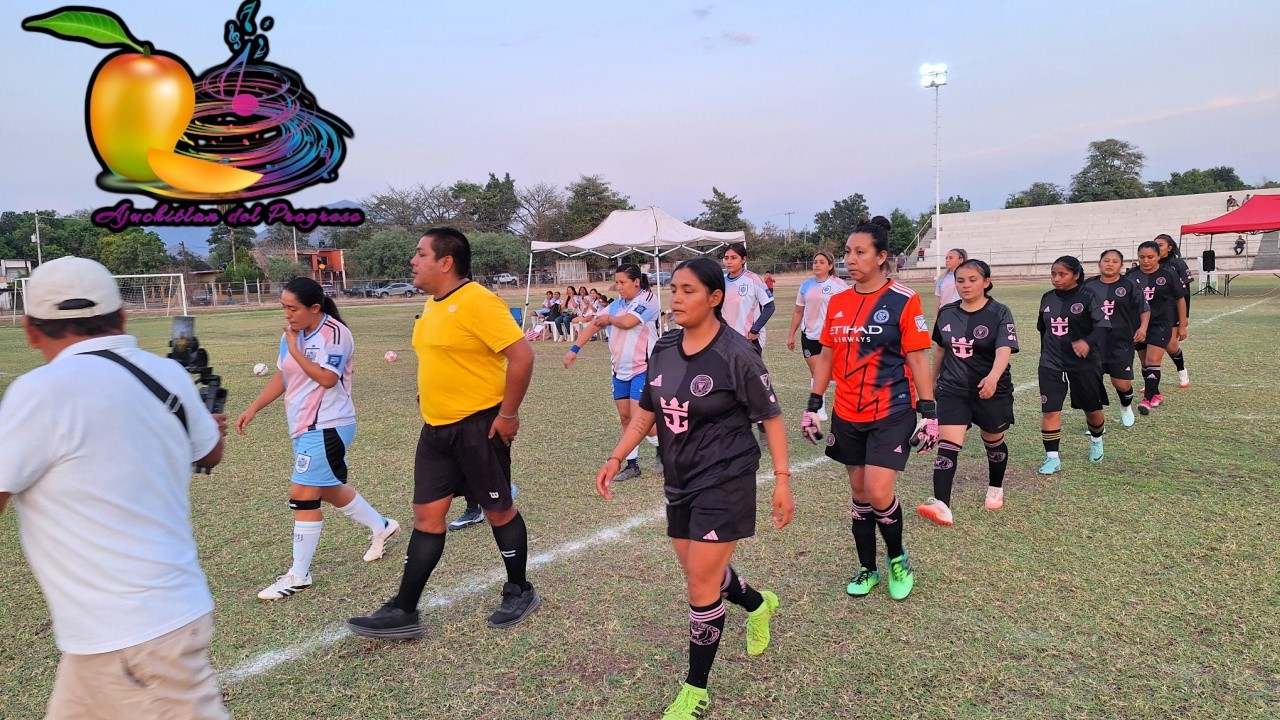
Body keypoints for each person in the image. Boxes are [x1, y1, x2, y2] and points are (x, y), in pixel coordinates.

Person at [0, 257, 230, 719]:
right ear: (123, 316)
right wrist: (205, 423)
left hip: (134, 641)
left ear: (29, 329)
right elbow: (209, 454)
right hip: (123, 636)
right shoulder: (164, 375)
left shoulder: (40, 391)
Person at [595, 257, 793, 720]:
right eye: (673, 289)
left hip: (726, 478)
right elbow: (647, 414)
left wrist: (782, 482)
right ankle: (758, 602)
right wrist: (615, 456)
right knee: (698, 571)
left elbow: (772, 417)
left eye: (687, 290)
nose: (676, 298)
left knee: (701, 584)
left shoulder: (736, 354)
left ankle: (695, 689)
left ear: (714, 298)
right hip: (679, 477)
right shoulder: (663, 347)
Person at [346, 227, 538, 638]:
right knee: (426, 516)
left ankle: (520, 589)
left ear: (445, 261)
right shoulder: (433, 307)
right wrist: (426, 389)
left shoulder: (478, 302)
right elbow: (441, 356)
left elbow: (522, 355)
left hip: (478, 428)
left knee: (498, 510)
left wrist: (508, 415)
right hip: (436, 431)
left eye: (420, 254)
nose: (412, 261)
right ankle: (404, 610)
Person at [236, 278, 401, 600]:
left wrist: (296, 350)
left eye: (292, 308)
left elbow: (327, 378)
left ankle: (299, 575)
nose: (287, 315)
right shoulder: (292, 335)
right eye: (283, 307)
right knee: (326, 489)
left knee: (302, 493)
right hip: (301, 426)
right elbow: (285, 374)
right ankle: (381, 525)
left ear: (315, 307)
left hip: (328, 425)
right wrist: (253, 408)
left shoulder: (336, 334)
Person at [804, 216, 938, 601]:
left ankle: (898, 558)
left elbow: (917, 359)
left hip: (891, 410)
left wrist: (928, 413)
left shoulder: (903, 299)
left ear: (882, 257)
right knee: (860, 493)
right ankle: (867, 568)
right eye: (848, 252)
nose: (851, 259)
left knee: (880, 492)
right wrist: (814, 405)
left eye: (860, 252)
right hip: (848, 412)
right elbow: (827, 356)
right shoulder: (839, 301)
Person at [917, 259, 1019, 525]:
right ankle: (942, 505)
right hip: (953, 388)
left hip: (990, 390)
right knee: (948, 445)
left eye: (973, 280)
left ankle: (995, 487)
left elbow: (1003, 349)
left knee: (993, 440)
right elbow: (940, 349)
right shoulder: (948, 313)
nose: (965, 285)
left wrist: (993, 378)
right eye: (960, 280)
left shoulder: (999, 312)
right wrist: (932, 381)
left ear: (986, 282)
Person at [564, 263, 661, 480]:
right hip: (619, 370)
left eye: (622, 282)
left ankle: (663, 448)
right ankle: (632, 464)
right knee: (626, 417)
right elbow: (594, 325)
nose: (618, 287)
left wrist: (609, 319)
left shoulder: (648, 300)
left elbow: (628, 322)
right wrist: (574, 349)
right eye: (616, 282)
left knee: (639, 418)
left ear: (636, 282)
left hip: (644, 369)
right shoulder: (616, 305)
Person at [1035, 256, 1112, 474]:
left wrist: (1087, 342)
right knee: (1050, 411)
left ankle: (1097, 438)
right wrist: (1044, 356)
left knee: (1092, 409)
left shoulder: (1089, 295)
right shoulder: (1047, 298)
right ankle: (1052, 458)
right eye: (1053, 274)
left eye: (1062, 274)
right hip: (1051, 362)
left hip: (1083, 363)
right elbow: (1044, 329)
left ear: (1076, 275)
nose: (1056, 279)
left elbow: (1103, 325)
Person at [1084, 250, 1150, 428]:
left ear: (1121, 265)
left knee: (1121, 383)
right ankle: (1097, 425)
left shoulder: (1129, 285)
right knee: (1092, 385)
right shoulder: (1087, 286)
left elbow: (1144, 308)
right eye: (1106, 260)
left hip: (1121, 341)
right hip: (1094, 343)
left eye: (1115, 261)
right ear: (1099, 263)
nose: (1110, 264)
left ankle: (1125, 404)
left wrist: (1142, 328)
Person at [786, 251, 847, 421]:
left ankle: (843, 402)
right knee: (816, 371)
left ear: (830, 266)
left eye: (821, 262)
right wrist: (791, 334)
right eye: (815, 262)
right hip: (809, 335)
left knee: (834, 373)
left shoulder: (839, 285)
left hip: (832, 337)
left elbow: (850, 307)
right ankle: (819, 408)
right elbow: (798, 311)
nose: (817, 265)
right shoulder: (805, 286)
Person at [1129, 241, 1189, 415]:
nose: (1146, 261)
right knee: (1144, 363)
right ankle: (1156, 394)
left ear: (1158, 257)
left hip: (1161, 323)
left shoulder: (1169, 274)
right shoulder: (1131, 275)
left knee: (1153, 360)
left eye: (1150, 257)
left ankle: (1147, 400)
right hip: (1138, 325)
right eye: (1142, 257)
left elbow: (1180, 299)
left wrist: (1182, 324)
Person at [1154, 234, 1193, 388]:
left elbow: (1186, 293)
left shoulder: (1178, 264)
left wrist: (1184, 319)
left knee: (1170, 345)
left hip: (1173, 310)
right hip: (1153, 312)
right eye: (1155, 244)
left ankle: (1182, 370)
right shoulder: (1150, 263)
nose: (1157, 247)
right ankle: (1151, 380)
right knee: (1150, 346)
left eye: (1161, 245)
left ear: (1169, 248)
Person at [721, 243, 774, 351]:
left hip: (748, 339)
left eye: (734, 258)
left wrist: (755, 330)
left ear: (743, 260)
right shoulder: (721, 280)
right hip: (726, 339)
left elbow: (770, 306)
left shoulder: (753, 279)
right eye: (726, 258)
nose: (729, 261)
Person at [934, 248, 968, 317]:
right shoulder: (941, 278)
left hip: (960, 314)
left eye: (951, 258)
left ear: (960, 260)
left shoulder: (966, 277)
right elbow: (938, 299)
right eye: (946, 258)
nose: (947, 260)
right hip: (944, 315)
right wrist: (936, 318)